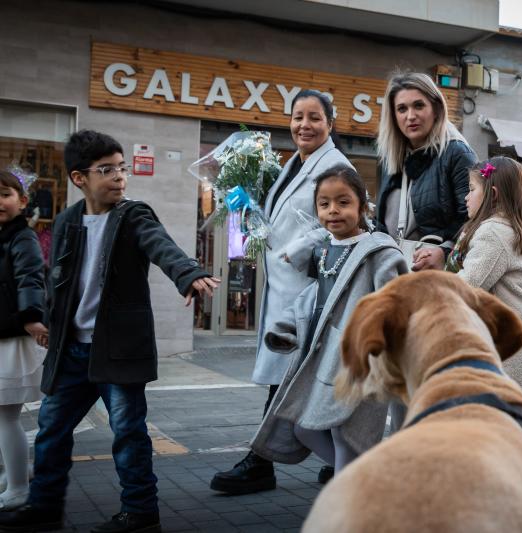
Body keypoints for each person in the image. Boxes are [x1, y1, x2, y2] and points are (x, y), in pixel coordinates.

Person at [0, 130, 219, 533]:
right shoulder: (67, 220)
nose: (119, 177)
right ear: (79, 178)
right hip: (72, 349)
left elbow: (161, 246)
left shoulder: (134, 215)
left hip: (116, 348)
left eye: (122, 168)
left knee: (128, 433)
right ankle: (44, 505)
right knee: (50, 430)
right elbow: (58, 278)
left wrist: (188, 273)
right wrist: (46, 317)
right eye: (107, 170)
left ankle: (140, 511)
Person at [211, 90, 353, 494]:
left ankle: (261, 462)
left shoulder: (336, 165)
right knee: (310, 377)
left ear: (330, 122)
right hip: (285, 287)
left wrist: (296, 249)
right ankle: (341, 456)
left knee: (292, 376)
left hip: (311, 287)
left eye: (314, 118)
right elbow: (287, 219)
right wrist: (253, 213)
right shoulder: (294, 164)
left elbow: (342, 218)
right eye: (297, 117)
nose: (304, 125)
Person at [251, 165, 406, 475]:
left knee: (344, 432)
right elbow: (315, 296)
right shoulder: (324, 250)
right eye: (324, 204)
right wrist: (288, 326)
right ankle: (366, 480)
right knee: (304, 429)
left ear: (363, 206)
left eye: (343, 202)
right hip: (323, 360)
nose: (333, 211)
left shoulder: (378, 252)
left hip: (360, 363)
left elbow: (399, 301)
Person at [445, 156, 522, 390]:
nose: (466, 197)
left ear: (493, 194)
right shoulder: (506, 229)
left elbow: (468, 286)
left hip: (503, 351)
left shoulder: (493, 233)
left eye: (471, 189)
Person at [375, 71, 477, 271]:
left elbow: (475, 218)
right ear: (393, 116)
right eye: (402, 109)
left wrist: (445, 251)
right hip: (391, 269)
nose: (410, 116)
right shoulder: (391, 158)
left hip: (435, 275)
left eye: (419, 105)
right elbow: (381, 222)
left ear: (436, 109)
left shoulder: (456, 153)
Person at [0, 169, 47, 510]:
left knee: (6, 416)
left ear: (22, 201)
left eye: (5, 194)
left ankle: (18, 486)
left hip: (11, 338)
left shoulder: (22, 238)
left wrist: (31, 316)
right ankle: (15, 471)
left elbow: (31, 278)